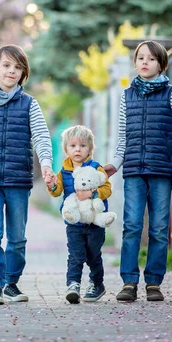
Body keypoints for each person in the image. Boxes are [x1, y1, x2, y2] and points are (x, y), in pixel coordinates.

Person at [0, 45, 56, 306]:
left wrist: (47, 165)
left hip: (18, 179)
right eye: (6, 66)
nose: (11, 71)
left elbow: (41, 136)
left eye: (17, 67)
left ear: (23, 73)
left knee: (17, 237)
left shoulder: (29, 104)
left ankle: (11, 283)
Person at [104, 40, 172, 302]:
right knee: (131, 226)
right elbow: (122, 137)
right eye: (140, 58)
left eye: (151, 59)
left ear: (161, 64)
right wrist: (114, 164)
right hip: (133, 170)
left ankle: (154, 282)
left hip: (162, 170)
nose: (145, 62)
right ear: (135, 63)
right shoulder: (126, 95)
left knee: (158, 228)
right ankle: (129, 282)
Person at [45, 125, 112, 304]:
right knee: (75, 255)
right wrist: (51, 184)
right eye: (73, 146)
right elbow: (56, 192)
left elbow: (107, 188)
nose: (78, 149)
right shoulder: (63, 172)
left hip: (95, 223)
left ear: (90, 148)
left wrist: (92, 194)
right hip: (74, 224)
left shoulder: (96, 168)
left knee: (93, 255)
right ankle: (73, 285)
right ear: (66, 149)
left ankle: (97, 284)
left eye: (82, 146)